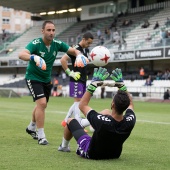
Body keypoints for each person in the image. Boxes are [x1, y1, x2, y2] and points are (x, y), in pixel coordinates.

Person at [18, 20, 88, 145]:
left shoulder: (57, 44)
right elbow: (21, 54)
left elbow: (73, 50)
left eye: (53, 30)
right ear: (42, 31)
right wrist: (33, 57)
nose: (51, 32)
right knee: (42, 104)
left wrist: (78, 54)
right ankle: (41, 136)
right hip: (33, 77)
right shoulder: (35, 43)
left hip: (46, 80)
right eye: (49, 30)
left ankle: (31, 127)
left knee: (41, 105)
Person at [58, 67, 136, 160]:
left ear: (113, 105)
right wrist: (123, 87)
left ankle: (64, 146)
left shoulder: (101, 121)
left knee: (71, 121)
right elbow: (130, 103)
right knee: (106, 112)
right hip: (114, 154)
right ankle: (83, 125)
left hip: (93, 153)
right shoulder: (131, 120)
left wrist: (92, 85)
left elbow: (82, 105)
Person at [60, 32, 94, 130]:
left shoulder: (85, 50)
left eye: (90, 43)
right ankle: (78, 123)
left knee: (78, 101)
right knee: (78, 102)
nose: (89, 45)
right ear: (83, 39)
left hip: (82, 79)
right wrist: (69, 72)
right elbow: (63, 60)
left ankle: (66, 121)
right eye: (88, 42)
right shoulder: (75, 49)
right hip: (76, 79)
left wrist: (85, 75)